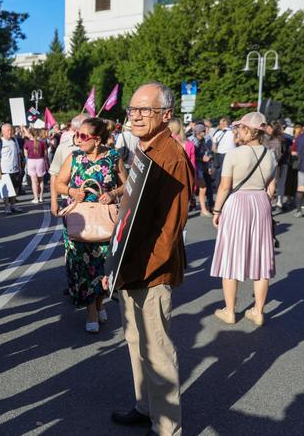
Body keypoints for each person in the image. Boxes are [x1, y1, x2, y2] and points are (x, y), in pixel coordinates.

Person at [104, 82, 192, 436]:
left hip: (150, 273)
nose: (136, 116)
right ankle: (146, 407)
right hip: (131, 268)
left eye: (146, 110)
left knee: (157, 352)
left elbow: (169, 231)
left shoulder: (171, 156)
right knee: (136, 343)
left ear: (166, 115)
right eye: (133, 109)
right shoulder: (145, 148)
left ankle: (167, 427)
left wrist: (132, 270)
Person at [54, 118, 126, 333]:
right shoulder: (74, 157)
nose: (78, 139)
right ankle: (91, 312)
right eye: (77, 135)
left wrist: (113, 193)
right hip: (79, 222)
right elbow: (58, 183)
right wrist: (71, 192)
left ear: (96, 140)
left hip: (105, 221)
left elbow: (129, 183)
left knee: (104, 267)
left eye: (83, 136)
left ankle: (99, 302)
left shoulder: (113, 157)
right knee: (82, 268)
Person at [211, 111, 277, 326]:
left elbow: (224, 187)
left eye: (239, 127)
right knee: (261, 258)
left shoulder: (234, 154)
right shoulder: (270, 155)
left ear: (249, 131)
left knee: (231, 256)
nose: (237, 130)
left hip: (237, 203)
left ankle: (230, 311)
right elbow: (271, 189)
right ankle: (258, 311)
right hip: (261, 202)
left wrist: (217, 210)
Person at [49, 114, 88, 217]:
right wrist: (54, 201)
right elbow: (54, 176)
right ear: (76, 130)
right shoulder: (63, 148)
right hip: (68, 199)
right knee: (72, 230)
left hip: (92, 200)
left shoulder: (96, 146)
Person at [0, 123, 24, 214]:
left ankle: (13, 205)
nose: (10, 132)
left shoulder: (14, 140)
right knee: (6, 190)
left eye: (11, 130)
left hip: (15, 169)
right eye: (8, 130)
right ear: (3, 132)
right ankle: (6, 206)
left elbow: (18, 154)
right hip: (4, 170)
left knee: (15, 188)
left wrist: (20, 166)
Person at [266, 121, 290, 210]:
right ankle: (278, 202)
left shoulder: (280, 139)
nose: (267, 129)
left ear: (273, 129)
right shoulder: (283, 138)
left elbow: (280, 154)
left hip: (279, 164)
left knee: (277, 183)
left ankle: (277, 201)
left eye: (269, 128)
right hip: (279, 163)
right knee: (278, 183)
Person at [193, 123, 215, 215]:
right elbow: (192, 156)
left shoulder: (202, 140)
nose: (205, 132)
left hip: (202, 167)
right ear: (199, 132)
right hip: (196, 167)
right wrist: (202, 158)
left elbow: (205, 152)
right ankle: (202, 209)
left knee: (204, 187)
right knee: (202, 188)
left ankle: (204, 208)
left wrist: (209, 162)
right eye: (203, 131)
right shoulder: (194, 141)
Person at [23, 127, 49, 203]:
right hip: (40, 161)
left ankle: (36, 198)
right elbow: (45, 154)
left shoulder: (27, 143)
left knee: (34, 181)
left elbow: (25, 154)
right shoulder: (42, 143)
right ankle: (41, 197)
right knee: (41, 181)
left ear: (30, 134)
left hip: (31, 161)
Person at [212, 116, 236, 190]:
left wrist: (216, 152)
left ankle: (219, 186)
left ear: (223, 124)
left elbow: (213, 147)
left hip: (220, 155)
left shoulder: (218, 133)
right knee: (230, 171)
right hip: (232, 154)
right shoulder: (234, 133)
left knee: (220, 171)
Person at [293, 124, 304, 218]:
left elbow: (293, 152)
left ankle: (299, 210)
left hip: (303, 167)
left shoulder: (300, 137)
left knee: (301, 189)